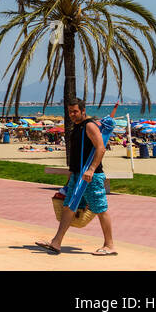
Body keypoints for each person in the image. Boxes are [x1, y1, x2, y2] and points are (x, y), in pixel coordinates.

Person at [36, 97, 116, 256]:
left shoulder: (90, 126)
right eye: (70, 111)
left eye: (75, 111)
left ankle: (109, 245)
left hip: (91, 176)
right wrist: (71, 176)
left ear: (83, 110)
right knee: (68, 206)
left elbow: (101, 148)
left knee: (100, 208)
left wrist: (91, 169)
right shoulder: (77, 127)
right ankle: (56, 242)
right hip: (77, 175)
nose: (72, 114)